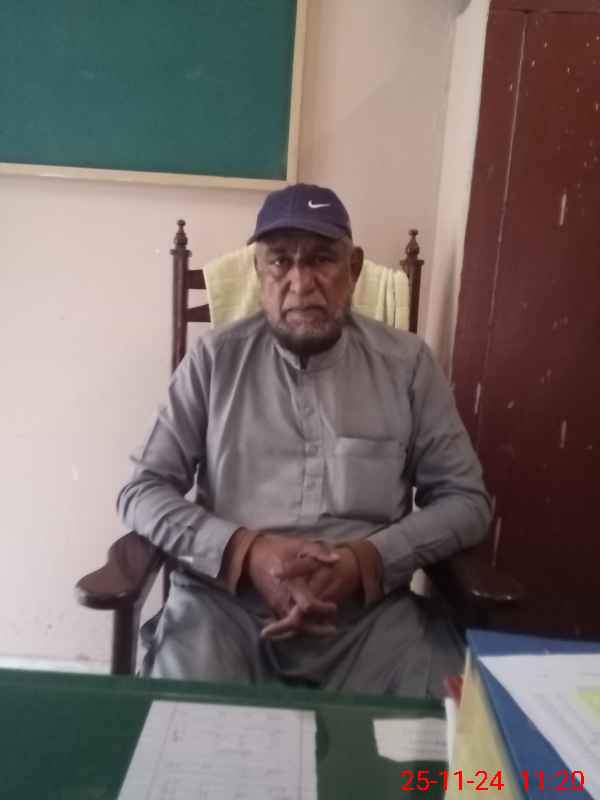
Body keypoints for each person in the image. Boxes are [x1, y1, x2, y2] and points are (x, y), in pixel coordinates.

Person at [117, 183, 491, 697]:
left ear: (353, 269)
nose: (300, 282)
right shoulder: (213, 361)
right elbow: (141, 490)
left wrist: (368, 560)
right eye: (280, 262)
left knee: (443, 736)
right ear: (258, 272)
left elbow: (467, 501)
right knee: (186, 730)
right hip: (225, 611)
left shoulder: (408, 367)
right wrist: (245, 552)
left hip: (369, 619)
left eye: (321, 259)